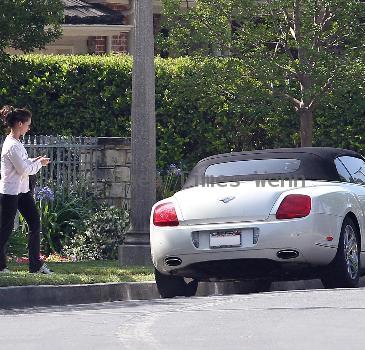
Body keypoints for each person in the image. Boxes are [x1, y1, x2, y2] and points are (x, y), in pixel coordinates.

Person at [0, 105, 52, 274]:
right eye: (28, 124)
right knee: (6, 228)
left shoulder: (16, 143)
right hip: (10, 192)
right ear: (20, 124)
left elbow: (22, 163)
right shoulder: (12, 145)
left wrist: (34, 160)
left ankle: (35, 265)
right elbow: (24, 170)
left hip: (21, 191)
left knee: (34, 222)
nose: (29, 127)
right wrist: (39, 164)